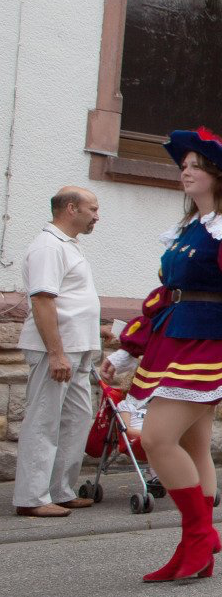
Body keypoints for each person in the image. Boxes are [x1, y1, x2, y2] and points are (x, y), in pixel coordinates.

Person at [105, 128, 222, 581]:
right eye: (183, 166)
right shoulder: (190, 230)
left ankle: (197, 537)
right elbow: (165, 294)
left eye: (195, 166)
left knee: (156, 439)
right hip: (175, 338)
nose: (185, 172)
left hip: (210, 344)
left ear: (217, 176)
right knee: (194, 444)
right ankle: (201, 543)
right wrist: (130, 351)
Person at [13, 187, 103, 518]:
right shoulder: (48, 247)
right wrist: (55, 353)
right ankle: (32, 497)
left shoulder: (67, 246)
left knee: (77, 418)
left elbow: (69, 300)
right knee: (44, 420)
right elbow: (43, 300)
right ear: (70, 208)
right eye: (92, 209)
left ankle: (59, 489)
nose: (96, 216)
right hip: (57, 351)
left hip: (77, 349)